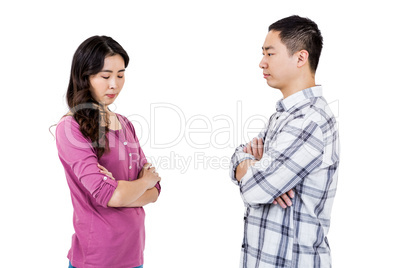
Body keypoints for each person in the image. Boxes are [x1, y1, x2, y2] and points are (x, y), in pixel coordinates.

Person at [229, 15, 339, 268]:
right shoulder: (285, 115)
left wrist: (261, 176)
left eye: (270, 54)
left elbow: (254, 190)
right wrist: (253, 166)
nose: (261, 62)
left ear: (301, 58)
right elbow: (241, 156)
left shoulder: (310, 121)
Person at [55, 35, 161, 268]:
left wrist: (129, 187)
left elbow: (155, 191)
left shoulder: (125, 123)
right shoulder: (70, 127)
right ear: (85, 77)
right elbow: (109, 195)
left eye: (120, 75)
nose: (114, 84)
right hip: (97, 259)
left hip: (134, 255)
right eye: (105, 76)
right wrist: (142, 182)